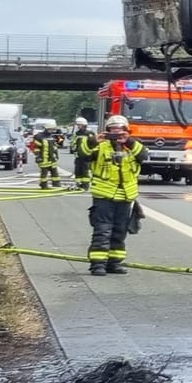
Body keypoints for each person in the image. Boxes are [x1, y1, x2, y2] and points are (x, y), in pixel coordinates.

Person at [82, 115, 144, 276]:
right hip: (104, 196)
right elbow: (82, 155)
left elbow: (144, 156)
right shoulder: (100, 146)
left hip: (125, 196)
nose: (116, 133)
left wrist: (128, 142)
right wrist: (93, 141)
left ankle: (114, 263)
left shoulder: (133, 145)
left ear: (126, 130)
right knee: (102, 230)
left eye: (120, 130)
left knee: (120, 230)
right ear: (107, 130)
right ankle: (98, 265)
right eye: (113, 130)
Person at [70, 117, 94, 191]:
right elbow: (73, 143)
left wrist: (91, 154)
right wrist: (73, 150)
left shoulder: (89, 134)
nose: (78, 126)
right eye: (78, 125)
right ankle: (78, 184)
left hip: (87, 156)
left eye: (79, 125)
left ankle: (85, 185)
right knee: (78, 171)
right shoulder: (77, 134)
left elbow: (93, 144)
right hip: (78, 156)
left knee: (85, 171)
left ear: (84, 125)